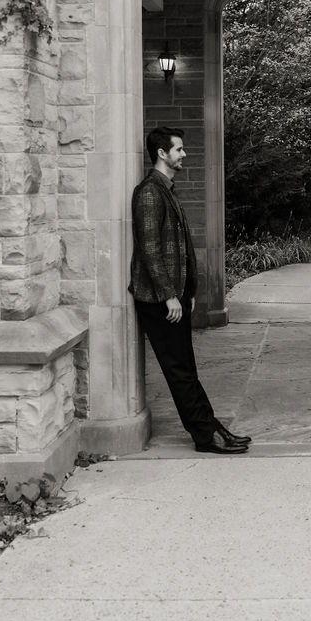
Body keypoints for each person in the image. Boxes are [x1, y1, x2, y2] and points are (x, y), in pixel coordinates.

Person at [129, 126, 249, 454]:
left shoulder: (166, 189)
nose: (184, 154)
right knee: (179, 370)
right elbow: (150, 249)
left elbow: (179, 247)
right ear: (162, 153)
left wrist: (188, 291)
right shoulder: (149, 192)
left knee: (187, 368)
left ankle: (211, 427)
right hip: (159, 299)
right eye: (179, 149)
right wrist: (169, 295)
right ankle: (205, 436)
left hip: (175, 295)